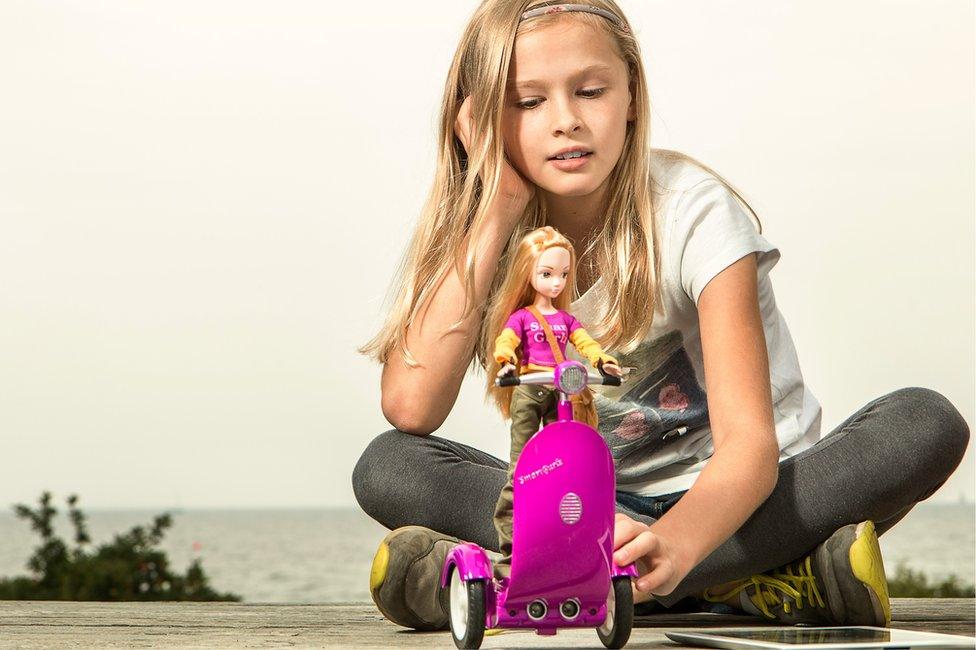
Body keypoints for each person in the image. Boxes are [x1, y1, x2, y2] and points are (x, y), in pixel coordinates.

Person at [353, 0, 971, 633]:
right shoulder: (494, 239)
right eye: (528, 102)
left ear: (630, 98)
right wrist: (496, 208)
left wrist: (676, 543)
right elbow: (411, 408)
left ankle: (540, 581)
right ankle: (753, 581)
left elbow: (749, 449)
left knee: (922, 424)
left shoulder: (694, 214)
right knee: (388, 465)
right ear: (484, 119)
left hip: (740, 496)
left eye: (590, 91)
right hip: (591, 508)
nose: (566, 121)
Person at [487, 225, 623, 580]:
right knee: (520, 471)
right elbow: (506, 342)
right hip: (531, 389)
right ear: (528, 273)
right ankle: (510, 559)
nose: (556, 283)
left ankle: (566, 548)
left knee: (567, 465)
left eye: (563, 274)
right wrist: (506, 363)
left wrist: (602, 361)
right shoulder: (523, 318)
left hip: (561, 391)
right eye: (547, 274)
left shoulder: (565, 320)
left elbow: (586, 343)